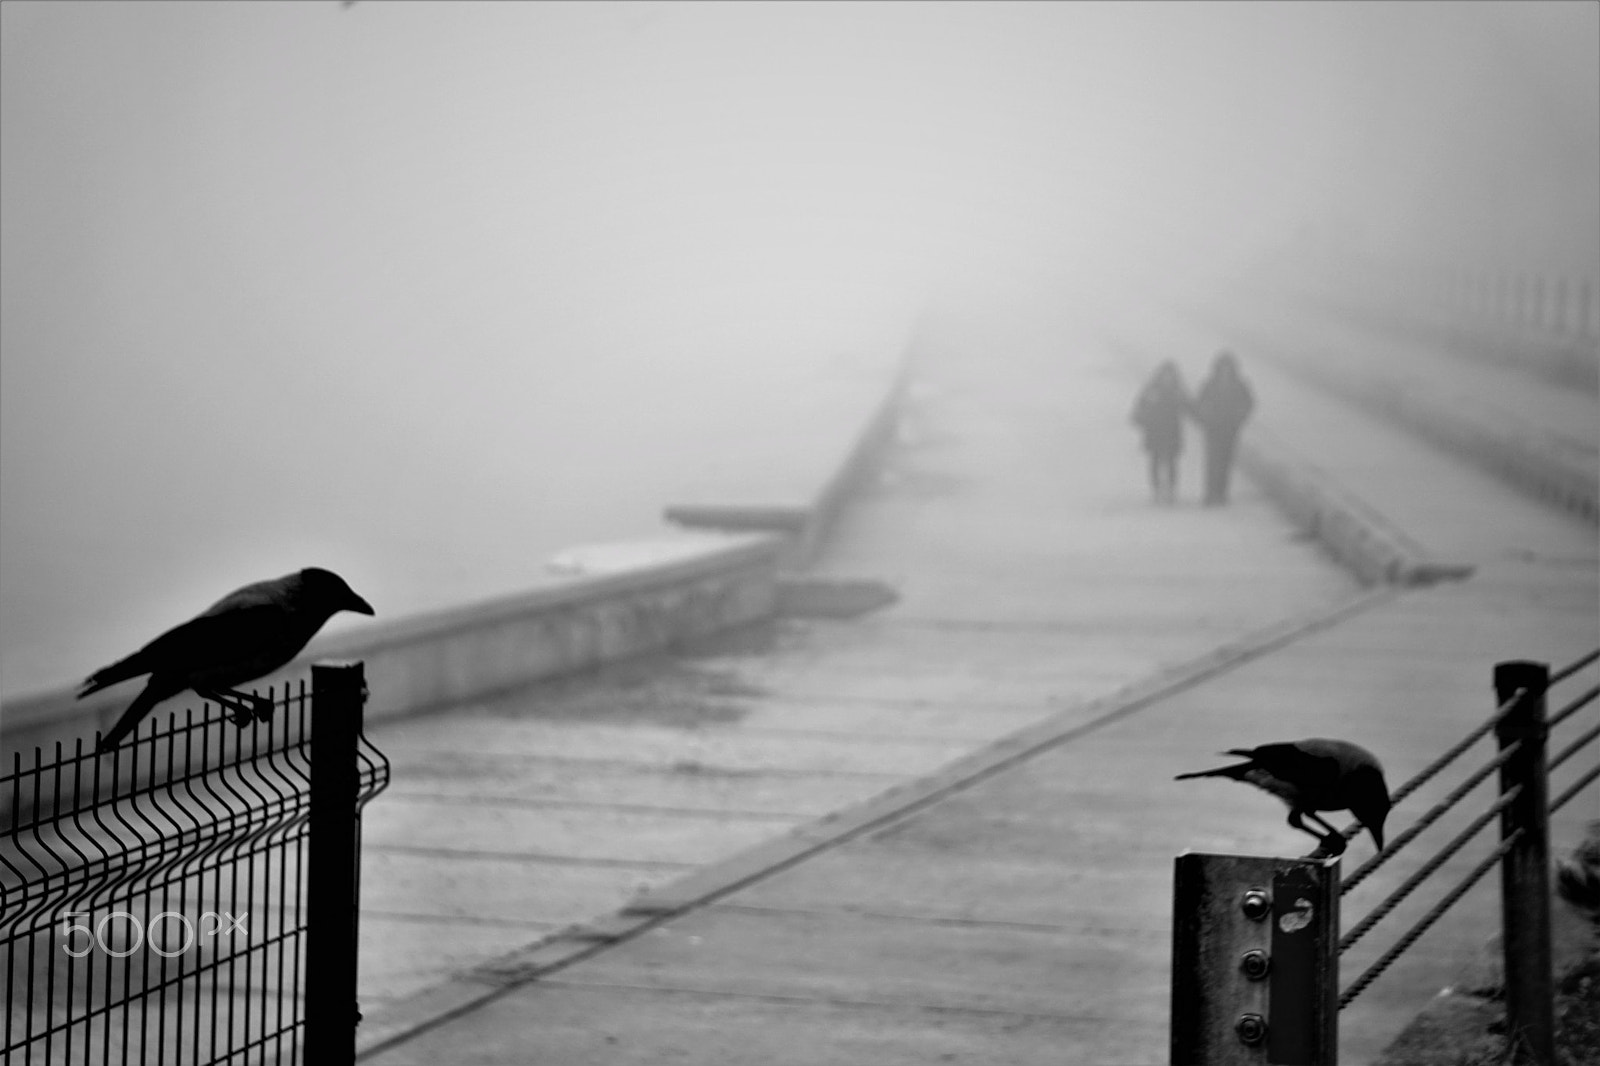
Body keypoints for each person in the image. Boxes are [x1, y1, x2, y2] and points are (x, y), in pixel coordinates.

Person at [1190, 350, 1255, 506]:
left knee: (1226, 461)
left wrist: (1240, 418)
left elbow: (1249, 403)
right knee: (1212, 461)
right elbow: (1198, 404)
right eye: (1222, 367)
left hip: (1231, 429)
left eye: (1228, 367)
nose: (1225, 371)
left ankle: (1222, 493)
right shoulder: (1209, 384)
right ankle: (1210, 493)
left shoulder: (1240, 385)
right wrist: (1204, 419)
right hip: (1212, 429)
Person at [1130, 360, 1188, 504]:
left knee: (1171, 462)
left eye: (1169, 375)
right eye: (1165, 375)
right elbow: (1139, 407)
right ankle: (1156, 490)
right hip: (1155, 431)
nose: (1167, 378)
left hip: (1171, 431)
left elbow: (1189, 407)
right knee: (1155, 461)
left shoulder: (1177, 391)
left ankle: (1171, 491)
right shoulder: (1152, 390)